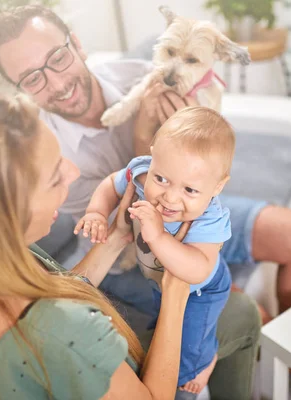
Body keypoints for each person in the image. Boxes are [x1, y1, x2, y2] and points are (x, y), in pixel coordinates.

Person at [0, 5, 291, 322]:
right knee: (247, 315)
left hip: (195, 211)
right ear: (20, 89)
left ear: (76, 44)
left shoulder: (139, 75)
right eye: (32, 79)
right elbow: (137, 218)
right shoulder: (49, 157)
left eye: (58, 57)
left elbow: (210, 152)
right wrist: (144, 135)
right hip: (134, 253)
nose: (58, 84)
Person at [0, 94, 194, 399]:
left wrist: (114, 239)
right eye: (54, 176)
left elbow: (55, 296)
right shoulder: (63, 331)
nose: (73, 173)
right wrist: (176, 294)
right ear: (1, 215)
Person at [77, 107, 235, 394]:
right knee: (160, 319)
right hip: (157, 275)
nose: (170, 197)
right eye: (161, 179)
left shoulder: (209, 219)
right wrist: (97, 213)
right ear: (152, 157)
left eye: (190, 190)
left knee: (187, 346)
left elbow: (198, 268)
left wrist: (160, 237)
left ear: (218, 186)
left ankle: (203, 362)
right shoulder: (140, 173)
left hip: (200, 291)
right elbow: (110, 185)